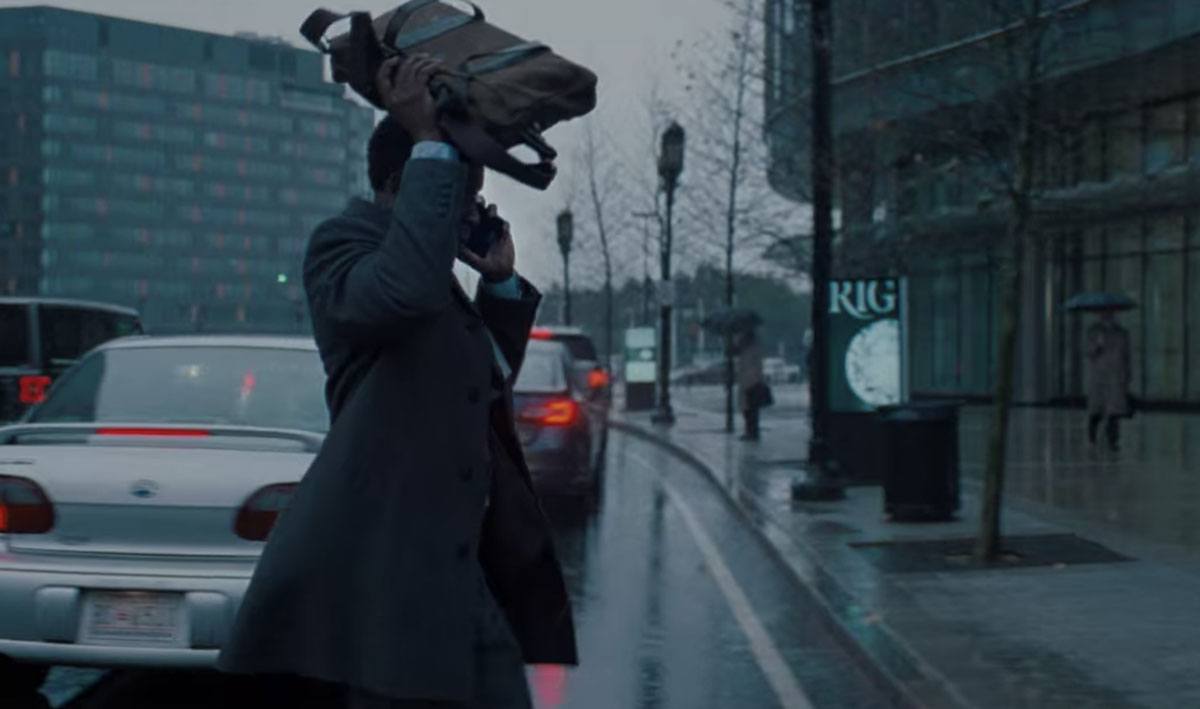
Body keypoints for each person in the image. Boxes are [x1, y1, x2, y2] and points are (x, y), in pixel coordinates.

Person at [217, 55, 577, 708]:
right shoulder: (343, 246)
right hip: (381, 571)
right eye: (458, 197)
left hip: (451, 564)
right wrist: (433, 145)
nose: (461, 213)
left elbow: (482, 378)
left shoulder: (431, 274)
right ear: (403, 182)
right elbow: (400, 293)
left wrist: (496, 279)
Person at [1085, 311, 1132, 452]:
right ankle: (1092, 437)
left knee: (1114, 411)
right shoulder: (1093, 331)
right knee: (1096, 410)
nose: (1107, 316)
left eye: (1110, 314)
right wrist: (1098, 345)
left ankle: (1113, 440)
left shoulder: (1122, 332)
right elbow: (1089, 353)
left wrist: (1127, 374)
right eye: (1104, 314)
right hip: (1099, 376)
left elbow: (1127, 354)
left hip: (1116, 375)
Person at [735, 329, 766, 441]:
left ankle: (752, 432)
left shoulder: (753, 347)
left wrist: (757, 378)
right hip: (747, 381)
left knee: (751, 409)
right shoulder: (743, 347)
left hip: (752, 382)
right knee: (747, 409)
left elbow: (757, 365)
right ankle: (750, 431)